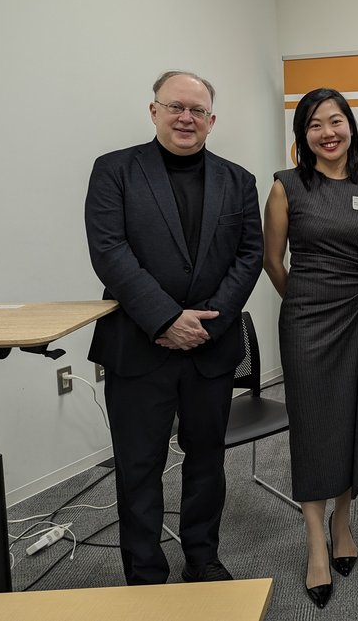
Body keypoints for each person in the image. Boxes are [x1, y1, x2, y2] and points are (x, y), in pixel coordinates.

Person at [85, 70, 262, 585]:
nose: (187, 118)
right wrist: (165, 318)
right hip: (139, 346)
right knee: (139, 467)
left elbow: (249, 256)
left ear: (211, 120)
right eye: (176, 107)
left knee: (206, 461)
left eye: (198, 111)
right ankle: (144, 573)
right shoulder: (114, 171)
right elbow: (109, 251)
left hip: (210, 347)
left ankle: (202, 557)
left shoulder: (239, 181)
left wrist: (206, 323)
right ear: (154, 110)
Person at [262, 88, 358, 609]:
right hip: (305, 321)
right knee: (313, 425)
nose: (328, 132)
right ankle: (315, 541)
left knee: (355, 417)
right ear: (304, 135)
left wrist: (348, 294)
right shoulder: (286, 186)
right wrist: (305, 297)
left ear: (351, 127)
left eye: (336, 121)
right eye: (315, 124)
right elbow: (274, 261)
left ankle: (345, 519)